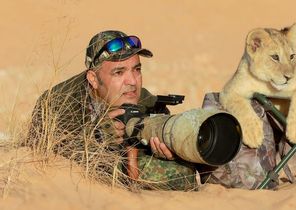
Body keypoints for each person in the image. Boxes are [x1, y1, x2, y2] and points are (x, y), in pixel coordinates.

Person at [27, 30, 197, 191]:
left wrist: (167, 152)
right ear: (93, 79)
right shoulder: (59, 102)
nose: (132, 81)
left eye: (137, 69)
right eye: (118, 72)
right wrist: (96, 136)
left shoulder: (144, 100)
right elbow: (44, 158)